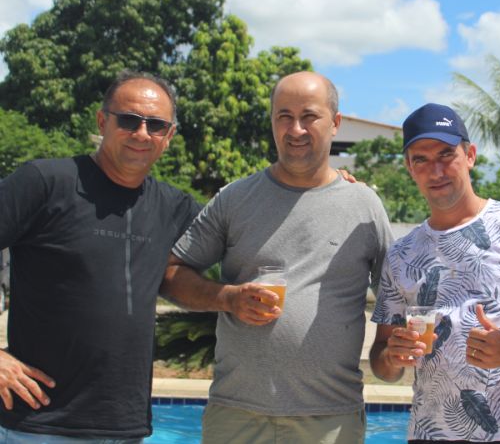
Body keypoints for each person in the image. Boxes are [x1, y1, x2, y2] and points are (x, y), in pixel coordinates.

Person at [159, 71, 393, 444]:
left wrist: (390, 355)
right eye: (284, 116)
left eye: (309, 116)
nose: (295, 129)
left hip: (330, 421)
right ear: (272, 123)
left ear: (334, 123)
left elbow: (394, 297)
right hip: (236, 417)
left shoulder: (364, 205)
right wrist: (228, 298)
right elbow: (172, 273)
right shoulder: (235, 199)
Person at [0, 71, 200, 441]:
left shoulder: (173, 207)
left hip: (126, 428)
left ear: (169, 136)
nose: (142, 133)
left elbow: (244, 234)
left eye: (156, 125)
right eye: (129, 120)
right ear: (102, 121)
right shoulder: (45, 183)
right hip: (40, 427)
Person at [369, 103, 500, 443]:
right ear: (409, 168)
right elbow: (381, 361)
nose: (436, 170)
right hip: (429, 434)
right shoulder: (401, 254)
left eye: (446, 154)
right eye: (421, 159)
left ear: (470, 156)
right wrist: (393, 357)